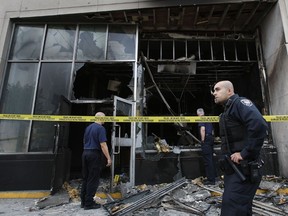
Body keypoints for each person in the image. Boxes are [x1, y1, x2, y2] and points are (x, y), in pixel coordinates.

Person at [213, 80, 268, 216]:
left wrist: (245, 153)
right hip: (235, 170)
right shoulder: (228, 109)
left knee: (232, 208)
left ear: (229, 91)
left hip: (244, 169)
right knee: (240, 208)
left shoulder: (239, 104)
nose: (214, 93)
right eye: (214, 90)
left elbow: (259, 126)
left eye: (217, 89)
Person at [80, 112, 112, 210]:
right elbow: (103, 144)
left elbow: (84, 141)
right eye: (104, 118)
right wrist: (108, 158)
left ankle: (83, 202)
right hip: (94, 154)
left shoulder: (88, 128)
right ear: (100, 118)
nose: (105, 120)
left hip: (85, 153)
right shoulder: (101, 128)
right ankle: (89, 204)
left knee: (86, 178)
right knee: (93, 179)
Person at [197, 108, 217, 185]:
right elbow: (212, 130)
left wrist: (202, 140)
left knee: (207, 160)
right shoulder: (208, 119)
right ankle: (213, 178)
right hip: (211, 138)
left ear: (198, 114)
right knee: (211, 159)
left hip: (206, 139)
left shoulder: (201, 118)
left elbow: (203, 129)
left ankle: (211, 180)